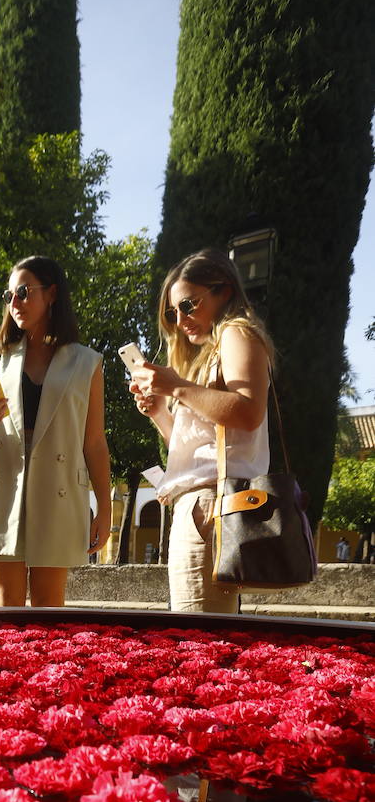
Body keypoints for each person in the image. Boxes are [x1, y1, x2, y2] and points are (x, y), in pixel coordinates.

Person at [127, 247, 273, 614]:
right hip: (202, 503)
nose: (180, 320)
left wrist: (177, 387)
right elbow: (197, 450)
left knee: (200, 639)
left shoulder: (236, 334)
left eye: (188, 305)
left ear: (223, 291)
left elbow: (248, 411)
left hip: (211, 504)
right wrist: (161, 411)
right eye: (172, 312)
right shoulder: (211, 349)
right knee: (206, 634)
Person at [0, 255, 111, 606]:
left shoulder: (87, 363)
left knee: (49, 607)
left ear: (52, 294)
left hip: (57, 488)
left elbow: (94, 442)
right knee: (4, 606)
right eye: (9, 295)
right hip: (1, 484)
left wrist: (105, 507)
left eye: (24, 292)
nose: (14, 303)